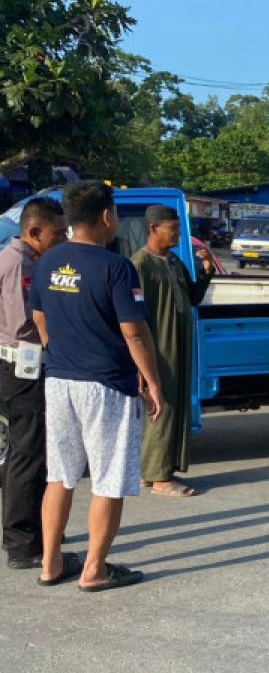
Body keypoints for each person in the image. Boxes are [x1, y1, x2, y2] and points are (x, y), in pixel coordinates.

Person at [28, 180, 163, 591]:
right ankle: (94, 570)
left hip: (59, 381)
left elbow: (39, 319)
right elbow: (134, 333)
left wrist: (63, 350)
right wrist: (154, 382)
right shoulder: (115, 267)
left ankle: (50, 564)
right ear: (107, 216)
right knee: (108, 479)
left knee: (60, 475)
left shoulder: (47, 262)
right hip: (105, 384)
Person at [0, 197, 69, 571]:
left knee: (35, 451)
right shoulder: (19, 265)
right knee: (26, 454)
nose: (63, 240)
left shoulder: (30, 261)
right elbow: (27, 324)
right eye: (58, 234)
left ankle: (40, 530)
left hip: (24, 367)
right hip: (21, 368)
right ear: (34, 232)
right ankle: (22, 542)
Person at [129, 205, 214, 497]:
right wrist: (138, 364)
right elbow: (131, 317)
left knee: (171, 406)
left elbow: (192, 296)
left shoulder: (174, 261)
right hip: (157, 347)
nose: (178, 235)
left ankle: (152, 472)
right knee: (162, 408)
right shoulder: (140, 264)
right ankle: (160, 478)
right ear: (153, 229)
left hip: (177, 346)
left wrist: (206, 272)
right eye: (173, 229)